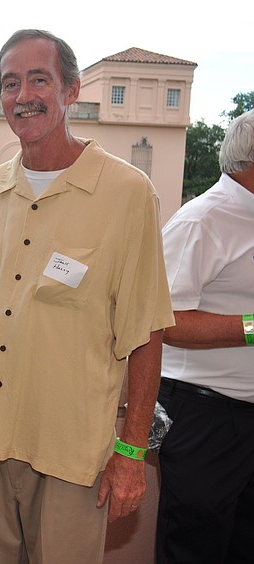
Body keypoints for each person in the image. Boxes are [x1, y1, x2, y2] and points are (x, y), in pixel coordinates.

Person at [0, 29, 175, 563]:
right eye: (10, 84)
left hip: (72, 447)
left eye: (40, 79)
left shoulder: (128, 194)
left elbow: (146, 332)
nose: (24, 96)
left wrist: (130, 453)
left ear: (71, 90)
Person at [155, 109, 254, 563]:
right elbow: (164, 320)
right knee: (194, 548)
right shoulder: (202, 221)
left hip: (240, 417)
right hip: (205, 416)